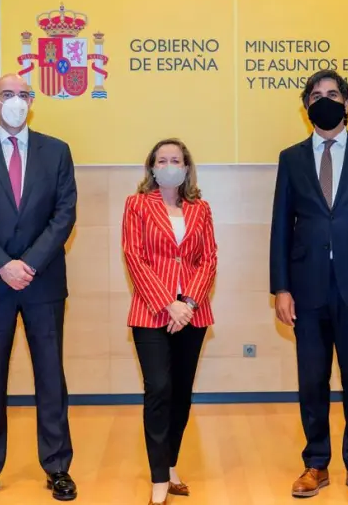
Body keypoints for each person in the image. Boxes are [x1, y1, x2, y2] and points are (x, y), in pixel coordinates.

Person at [269, 69, 348, 501]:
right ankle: (316, 463)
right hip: (306, 288)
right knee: (312, 380)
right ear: (306, 107)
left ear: (346, 103)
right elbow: (281, 227)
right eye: (316, 95)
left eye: (333, 94)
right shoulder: (291, 158)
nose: (324, 100)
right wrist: (281, 288)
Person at [0, 73, 78, 504]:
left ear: (33, 101)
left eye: (24, 94)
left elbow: (64, 214)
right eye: (8, 94)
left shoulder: (56, 151)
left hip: (43, 282)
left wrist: (30, 263)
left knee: (50, 376)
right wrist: (4, 265)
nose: (16, 101)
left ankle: (57, 466)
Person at [121, 138, 218, 505]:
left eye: (175, 160)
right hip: (151, 312)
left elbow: (209, 258)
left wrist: (188, 303)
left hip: (193, 313)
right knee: (159, 389)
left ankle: (171, 462)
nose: (168, 166)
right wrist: (168, 304)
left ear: (186, 167)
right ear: (151, 167)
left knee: (180, 393)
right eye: (161, 160)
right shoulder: (136, 205)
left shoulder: (200, 208)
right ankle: (159, 478)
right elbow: (134, 257)